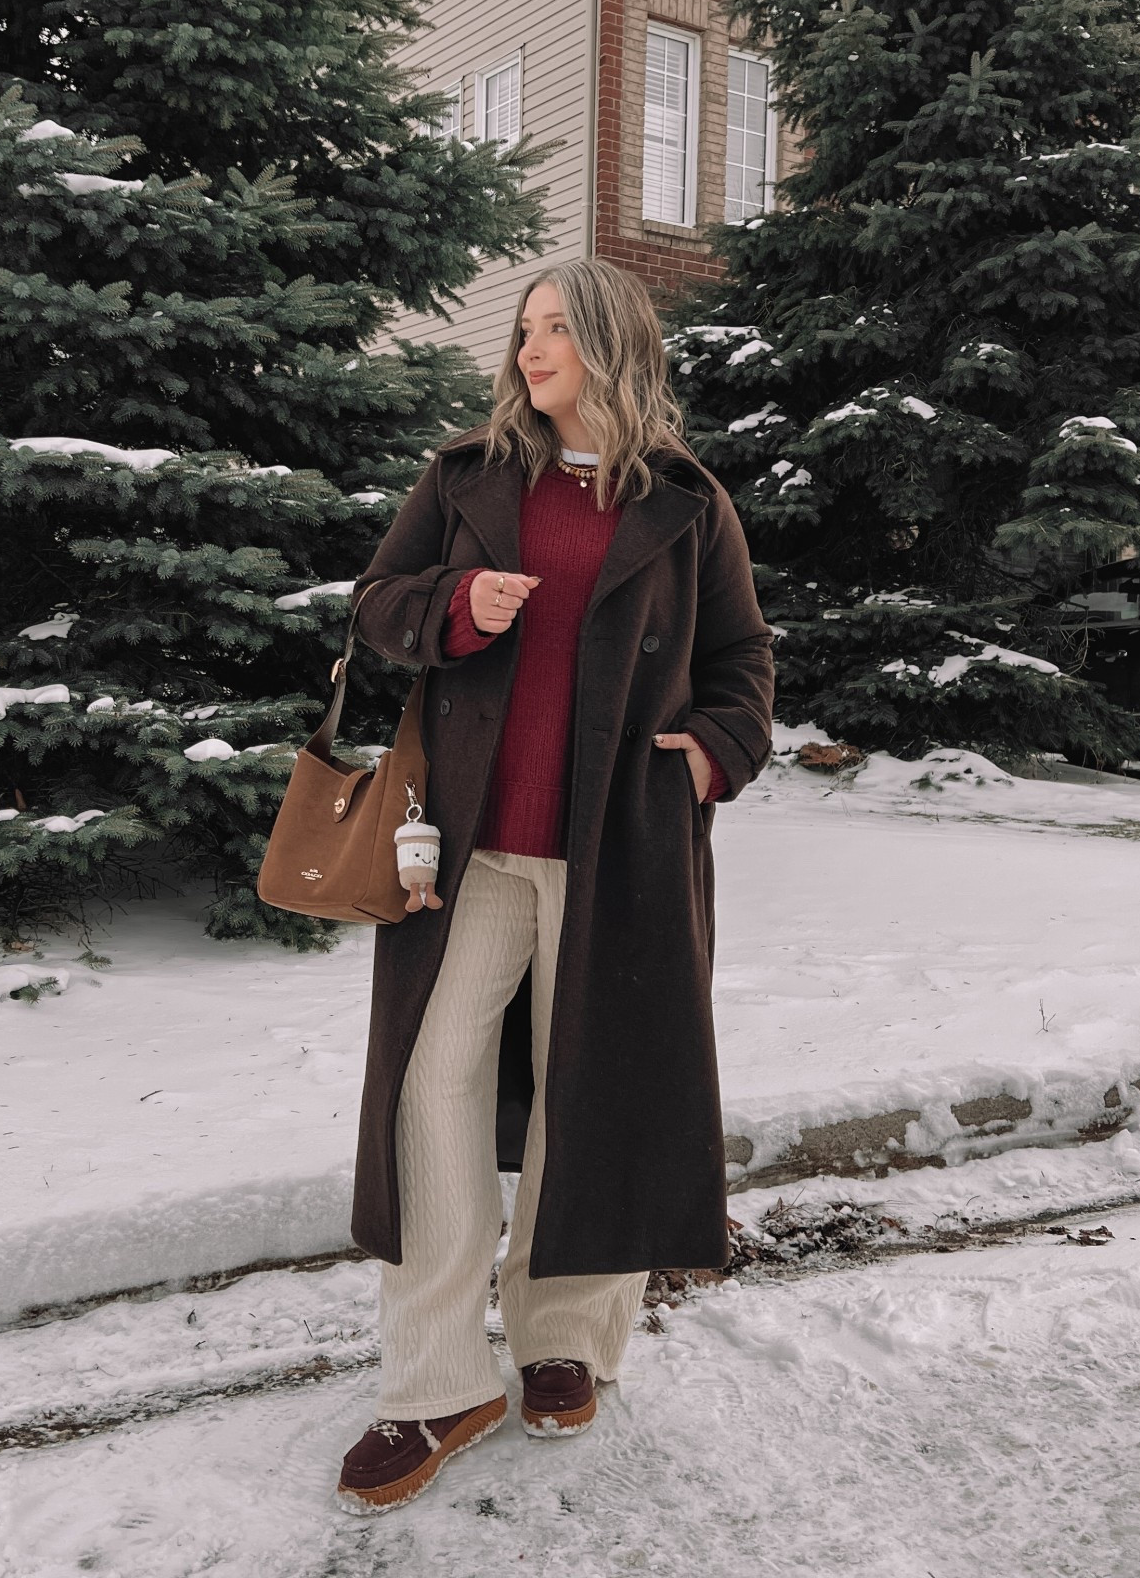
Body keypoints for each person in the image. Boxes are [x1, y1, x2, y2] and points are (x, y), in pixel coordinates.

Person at [335, 259, 774, 1512]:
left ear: (612, 343)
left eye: (557, 330)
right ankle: (432, 1375)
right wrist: (456, 605)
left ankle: (563, 1337)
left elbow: (745, 657)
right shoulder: (467, 476)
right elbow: (375, 609)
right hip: (471, 844)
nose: (532, 351)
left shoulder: (689, 501)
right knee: (432, 1087)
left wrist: (715, 752)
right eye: (524, 329)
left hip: (620, 846)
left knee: (604, 1086)